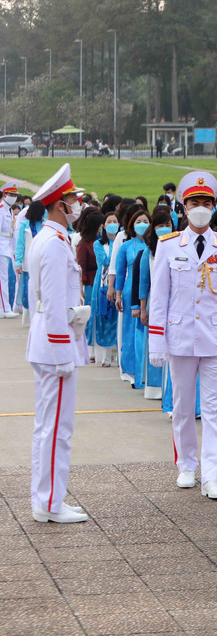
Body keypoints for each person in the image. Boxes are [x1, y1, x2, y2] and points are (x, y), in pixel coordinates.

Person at [148, 171, 217, 500]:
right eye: (194, 202)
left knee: (214, 409)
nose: (200, 207)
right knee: (183, 406)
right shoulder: (168, 245)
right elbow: (159, 297)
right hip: (180, 337)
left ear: (214, 205)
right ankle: (187, 465)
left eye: (206, 202)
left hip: (216, 337)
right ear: (183, 207)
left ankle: (212, 476)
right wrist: (156, 342)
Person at [26, 164, 90, 523]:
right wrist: (64, 350)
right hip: (55, 346)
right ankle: (50, 502)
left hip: (52, 341)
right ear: (59, 206)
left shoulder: (51, 239)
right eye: (72, 199)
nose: (77, 204)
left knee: (48, 426)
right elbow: (51, 303)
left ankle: (46, 498)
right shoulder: (53, 244)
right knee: (56, 429)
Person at [135, 209, 175, 400]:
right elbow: (144, 282)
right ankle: (154, 387)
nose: (164, 229)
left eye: (168, 225)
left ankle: (170, 388)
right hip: (155, 303)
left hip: (175, 304)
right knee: (156, 343)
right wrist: (143, 308)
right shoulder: (148, 253)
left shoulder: (179, 248)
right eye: (160, 226)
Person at [114, 208, 150, 386]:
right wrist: (118, 294)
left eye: (145, 221)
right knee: (130, 333)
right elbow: (120, 273)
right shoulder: (126, 246)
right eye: (138, 222)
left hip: (150, 293)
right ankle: (131, 371)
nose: (142, 225)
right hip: (130, 293)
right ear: (132, 225)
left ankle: (148, 371)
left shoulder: (156, 245)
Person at [91, 212, 119, 366]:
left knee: (118, 320)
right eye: (109, 221)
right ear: (103, 225)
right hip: (102, 285)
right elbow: (106, 261)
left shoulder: (123, 241)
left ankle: (119, 357)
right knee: (105, 319)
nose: (112, 224)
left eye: (115, 221)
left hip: (119, 284)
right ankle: (106, 357)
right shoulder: (98, 244)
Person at [76, 211, 104, 355]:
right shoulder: (84, 244)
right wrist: (82, 286)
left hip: (100, 280)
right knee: (89, 314)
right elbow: (81, 267)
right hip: (89, 282)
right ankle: (88, 346)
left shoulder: (101, 242)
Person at [15, 200, 46, 322]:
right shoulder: (25, 226)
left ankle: (39, 314)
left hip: (42, 262)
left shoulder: (45, 224)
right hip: (28, 264)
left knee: (41, 289)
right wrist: (18, 262)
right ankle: (29, 315)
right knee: (27, 291)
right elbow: (20, 245)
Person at [0, 181, 18, 317]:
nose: (14, 197)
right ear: (5, 194)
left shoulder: (9, 210)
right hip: (1, 246)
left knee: (4, 278)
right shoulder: (1, 209)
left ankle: (3, 309)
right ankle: (5, 309)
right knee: (3, 279)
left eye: (15, 194)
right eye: (11, 194)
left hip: (7, 246)